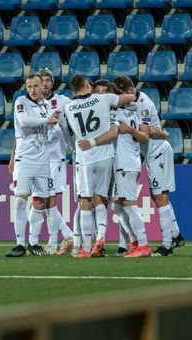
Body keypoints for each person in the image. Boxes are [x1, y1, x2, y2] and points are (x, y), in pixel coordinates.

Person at [61, 74, 137, 258]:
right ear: (88, 84)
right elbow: (130, 98)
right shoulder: (104, 99)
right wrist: (126, 96)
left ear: (73, 90)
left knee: (85, 200)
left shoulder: (68, 107)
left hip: (85, 157)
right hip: (106, 156)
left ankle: (86, 248)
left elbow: (68, 132)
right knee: (100, 199)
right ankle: (101, 238)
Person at [113, 76, 185, 257]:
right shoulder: (133, 102)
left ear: (129, 91)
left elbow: (149, 131)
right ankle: (175, 234)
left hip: (158, 153)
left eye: (120, 94)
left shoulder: (143, 104)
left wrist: (158, 132)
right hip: (153, 154)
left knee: (160, 198)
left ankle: (167, 245)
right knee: (158, 197)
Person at [5, 73, 60, 257]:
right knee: (20, 201)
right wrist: (48, 120)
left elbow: (45, 129)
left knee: (41, 202)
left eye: (36, 86)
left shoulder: (44, 105)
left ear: (42, 86)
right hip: (25, 160)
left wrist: (52, 122)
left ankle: (33, 243)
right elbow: (24, 122)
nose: (33, 90)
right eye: (30, 87)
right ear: (26, 88)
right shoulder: (21, 102)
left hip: (43, 161)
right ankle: (19, 244)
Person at [109, 84, 153, 258]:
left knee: (129, 204)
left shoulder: (116, 115)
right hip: (128, 163)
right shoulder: (132, 112)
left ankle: (143, 244)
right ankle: (134, 241)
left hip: (125, 164)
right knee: (118, 206)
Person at [37, 68, 74, 255]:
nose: (44, 84)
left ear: (52, 82)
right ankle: (68, 235)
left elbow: (77, 118)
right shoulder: (31, 103)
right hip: (36, 158)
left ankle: (52, 243)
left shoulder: (63, 101)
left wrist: (64, 128)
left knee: (49, 200)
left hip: (55, 157)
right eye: (41, 80)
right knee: (42, 200)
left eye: (47, 80)